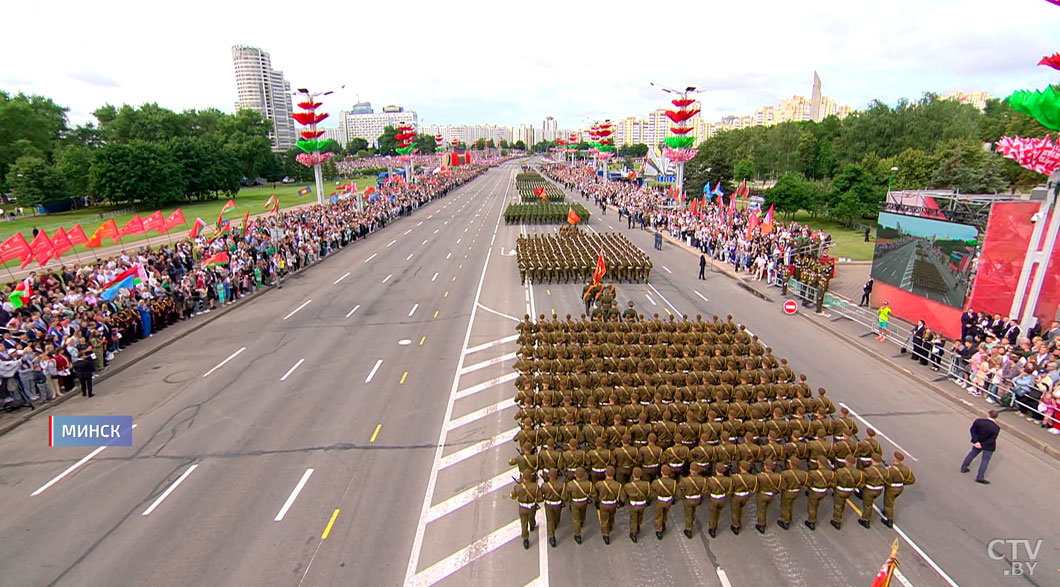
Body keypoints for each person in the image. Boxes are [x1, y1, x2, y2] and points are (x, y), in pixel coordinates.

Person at [960, 410, 1000, 484]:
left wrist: (976, 441)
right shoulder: (996, 428)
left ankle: (964, 467)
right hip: (988, 446)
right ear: (996, 417)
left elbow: (973, 431)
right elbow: (992, 439)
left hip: (978, 442)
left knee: (972, 454)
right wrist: (983, 445)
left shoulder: (979, 421)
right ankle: (980, 477)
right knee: (985, 461)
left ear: (988, 415)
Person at [882, 451, 915, 528]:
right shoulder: (907, 469)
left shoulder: (891, 470)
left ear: (895, 458)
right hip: (900, 488)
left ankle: (889, 520)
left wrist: (885, 485)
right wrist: (903, 483)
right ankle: (886, 511)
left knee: (889, 503)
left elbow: (887, 480)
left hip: (892, 488)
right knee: (891, 501)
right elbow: (912, 480)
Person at [510, 470, 540, 550]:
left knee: (523, 524)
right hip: (532, 507)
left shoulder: (517, 487)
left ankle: (525, 539)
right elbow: (540, 498)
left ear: (523, 477)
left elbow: (513, 497)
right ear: (530, 477)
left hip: (522, 508)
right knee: (532, 517)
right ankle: (532, 525)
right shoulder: (535, 486)